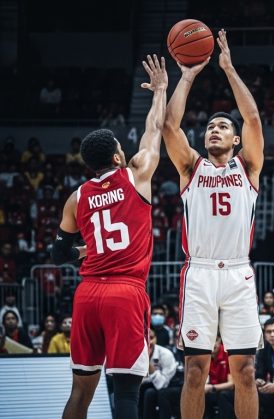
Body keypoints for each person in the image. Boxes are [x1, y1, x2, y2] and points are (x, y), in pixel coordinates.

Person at [52, 55, 166, 419]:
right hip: (124, 292)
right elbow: (155, 129)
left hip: (87, 295)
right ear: (119, 155)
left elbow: (58, 254)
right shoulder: (136, 174)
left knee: (80, 391)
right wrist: (160, 90)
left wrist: (83, 251)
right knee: (127, 390)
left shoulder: (77, 197)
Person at [163, 30, 265, 419]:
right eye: (210, 127)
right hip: (200, 273)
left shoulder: (248, 166)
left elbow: (252, 117)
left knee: (246, 371)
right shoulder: (191, 166)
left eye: (223, 127)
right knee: (194, 372)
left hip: (238, 273)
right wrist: (186, 76)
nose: (214, 130)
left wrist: (227, 68)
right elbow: (170, 128)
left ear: (237, 140)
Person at [221, 318, 274, 419]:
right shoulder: (263, 351)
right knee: (233, 394)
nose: (272, 335)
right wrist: (259, 381)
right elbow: (260, 374)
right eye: (268, 332)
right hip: (270, 387)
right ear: (264, 335)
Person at [141, 328, 178, 419]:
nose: (148, 341)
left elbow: (162, 384)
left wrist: (147, 361)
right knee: (145, 392)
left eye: (151, 337)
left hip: (173, 385)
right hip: (152, 385)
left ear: (156, 339)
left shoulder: (166, 354)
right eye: (144, 338)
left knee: (161, 394)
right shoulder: (135, 354)